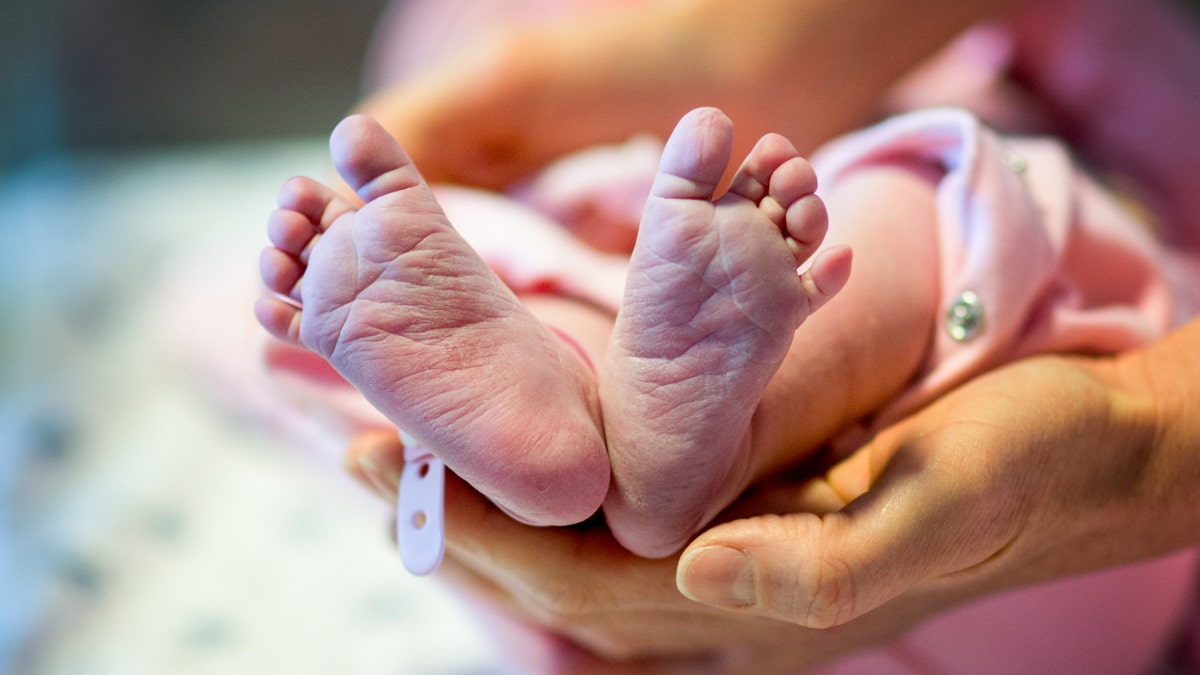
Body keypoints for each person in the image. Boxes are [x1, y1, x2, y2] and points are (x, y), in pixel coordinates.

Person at [258, 99, 1199, 671]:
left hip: (667, 631)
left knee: (460, 356)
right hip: (1083, 615)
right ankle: (683, 430)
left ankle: (601, 418)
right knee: (923, 219)